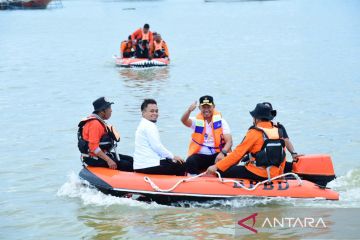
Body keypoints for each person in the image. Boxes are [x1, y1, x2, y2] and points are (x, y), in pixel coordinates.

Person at [207, 103, 288, 180]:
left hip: (258, 172)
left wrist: (216, 167)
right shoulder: (278, 130)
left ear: (257, 119)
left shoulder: (254, 132)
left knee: (221, 171)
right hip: (274, 173)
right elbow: (282, 155)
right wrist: (280, 173)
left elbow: (238, 154)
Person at [77, 97, 133, 171]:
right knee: (127, 165)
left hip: (100, 155)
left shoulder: (98, 122)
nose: (111, 110)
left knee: (131, 160)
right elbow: (93, 147)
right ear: (102, 111)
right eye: (109, 108)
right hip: (94, 158)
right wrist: (109, 160)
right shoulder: (95, 124)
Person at [181, 95, 233, 175]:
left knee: (227, 163)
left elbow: (229, 142)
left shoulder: (221, 122)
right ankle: (195, 181)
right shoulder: (196, 121)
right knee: (190, 161)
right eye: (203, 107)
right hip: (201, 155)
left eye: (209, 107)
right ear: (199, 108)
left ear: (213, 106)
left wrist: (223, 153)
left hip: (217, 155)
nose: (206, 110)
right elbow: (183, 120)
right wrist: (189, 110)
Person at [134, 99, 185, 175]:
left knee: (172, 161)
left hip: (145, 164)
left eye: (156, 111)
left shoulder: (144, 124)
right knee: (181, 165)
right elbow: (157, 147)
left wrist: (170, 158)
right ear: (143, 112)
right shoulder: (149, 126)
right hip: (147, 166)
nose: (155, 113)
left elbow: (157, 149)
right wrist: (173, 156)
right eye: (152, 111)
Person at [261, 102, 301, 173]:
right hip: (278, 163)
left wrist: (293, 153)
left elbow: (286, 141)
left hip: (262, 165)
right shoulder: (279, 127)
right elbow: (286, 140)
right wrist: (293, 153)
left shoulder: (256, 129)